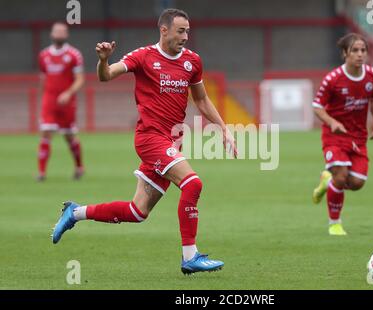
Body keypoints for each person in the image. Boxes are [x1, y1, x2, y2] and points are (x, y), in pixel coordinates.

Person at [51, 9, 237, 274]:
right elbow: (106, 76)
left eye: (187, 31)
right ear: (164, 30)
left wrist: (224, 129)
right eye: (180, 31)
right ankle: (190, 256)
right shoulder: (143, 56)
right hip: (150, 139)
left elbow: (202, 100)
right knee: (193, 184)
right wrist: (104, 60)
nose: (186, 36)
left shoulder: (192, 61)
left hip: (172, 143)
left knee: (137, 211)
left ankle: (75, 212)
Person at [311, 33, 373, 236]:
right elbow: (317, 106)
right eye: (355, 51)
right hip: (335, 136)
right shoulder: (333, 79)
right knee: (341, 177)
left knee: (357, 183)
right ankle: (335, 223)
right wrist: (332, 122)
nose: (360, 55)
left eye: (363, 50)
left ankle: (327, 181)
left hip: (358, 137)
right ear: (345, 53)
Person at [37, 22, 85, 181]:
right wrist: (44, 97)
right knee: (46, 133)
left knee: (69, 136)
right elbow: (43, 78)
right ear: (51, 34)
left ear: (67, 35)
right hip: (49, 101)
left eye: (62, 32)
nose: (59, 34)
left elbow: (80, 79)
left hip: (67, 102)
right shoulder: (43, 55)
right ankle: (41, 172)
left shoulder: (74, 55)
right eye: (56, 31)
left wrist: (68, 93)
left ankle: (79, 167)